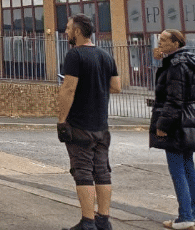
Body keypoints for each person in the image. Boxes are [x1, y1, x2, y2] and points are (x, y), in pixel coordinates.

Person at [150, 29, 195, 230]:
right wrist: (163, 60)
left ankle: (185, 218)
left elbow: (174, 99)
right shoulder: (191, 61)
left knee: (178, 170)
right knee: (189, 168)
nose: (160, 43)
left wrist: (162, 125)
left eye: (164, 40)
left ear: (176, 43)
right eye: (160, 40)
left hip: (177, 124)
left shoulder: (176, 65)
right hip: (191, 122)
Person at [58, 14, 121, 230]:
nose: (66, 32)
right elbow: (116, 87)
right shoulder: (105, 55)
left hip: (79, 124)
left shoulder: (74, 55)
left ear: (77, 31)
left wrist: (61, 120)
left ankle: (88, 222)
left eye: (68, 28)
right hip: (101, 126)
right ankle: (103, 220)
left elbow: (68, 89)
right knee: (102, 171)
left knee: (83, 171)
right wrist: (96, 83)